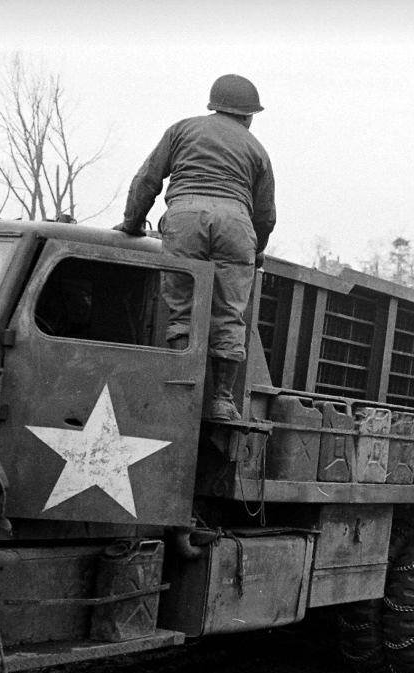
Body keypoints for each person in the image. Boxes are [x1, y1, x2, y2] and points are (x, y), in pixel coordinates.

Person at [114, 74, 276, 421]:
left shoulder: (182, 130)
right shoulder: (257, 149)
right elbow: (265, 215)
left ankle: (179, 387)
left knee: (182, 307)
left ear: (213, 105)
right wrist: (255, 250)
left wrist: (131, 224)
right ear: (248, 115)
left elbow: (147, 181)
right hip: (236, 224)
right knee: (230, 312)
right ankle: (221, 399)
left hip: (185, 217)